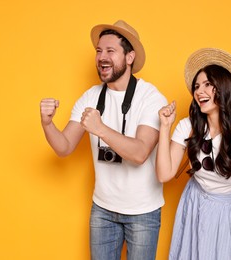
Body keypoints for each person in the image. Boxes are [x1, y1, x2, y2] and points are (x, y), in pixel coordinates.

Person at [40, 20, 167, 260]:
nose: (101, 57)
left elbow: (140, 153)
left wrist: (100, 129)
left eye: (110, 51)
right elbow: (64, 147)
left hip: (142, 212)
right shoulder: (90, 96)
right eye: (99, 51)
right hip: (103, 209)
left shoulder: (151, 97)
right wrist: (47, 124)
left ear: (130, 57)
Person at [156, 48, 231, 259]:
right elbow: (164, 174)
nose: (200, 91)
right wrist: (165, 127)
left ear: (224, 88)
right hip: (197, 208)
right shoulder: (188, 126)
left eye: (208, 84)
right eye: (197, 86)